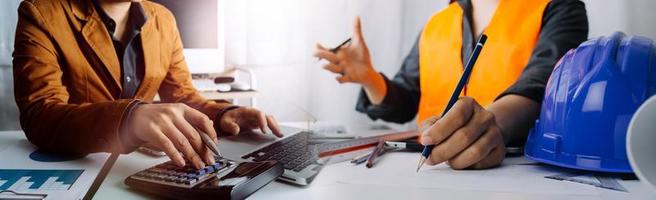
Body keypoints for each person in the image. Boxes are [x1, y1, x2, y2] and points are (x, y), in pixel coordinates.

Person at [314, 0, 588, 169]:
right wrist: (370, 79)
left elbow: (543, 84)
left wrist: (491, 124)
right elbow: (406, 102)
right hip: (425, 170)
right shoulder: (436, 24)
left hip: (511, 174)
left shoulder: (560, 8)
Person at [12, 0, 282, 170]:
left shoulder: (162, 19)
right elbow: (39, 115)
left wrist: (222, 115)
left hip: (141, 167)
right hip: (78, 166)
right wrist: (129, 117)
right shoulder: (41, 12)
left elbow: (182, 96)